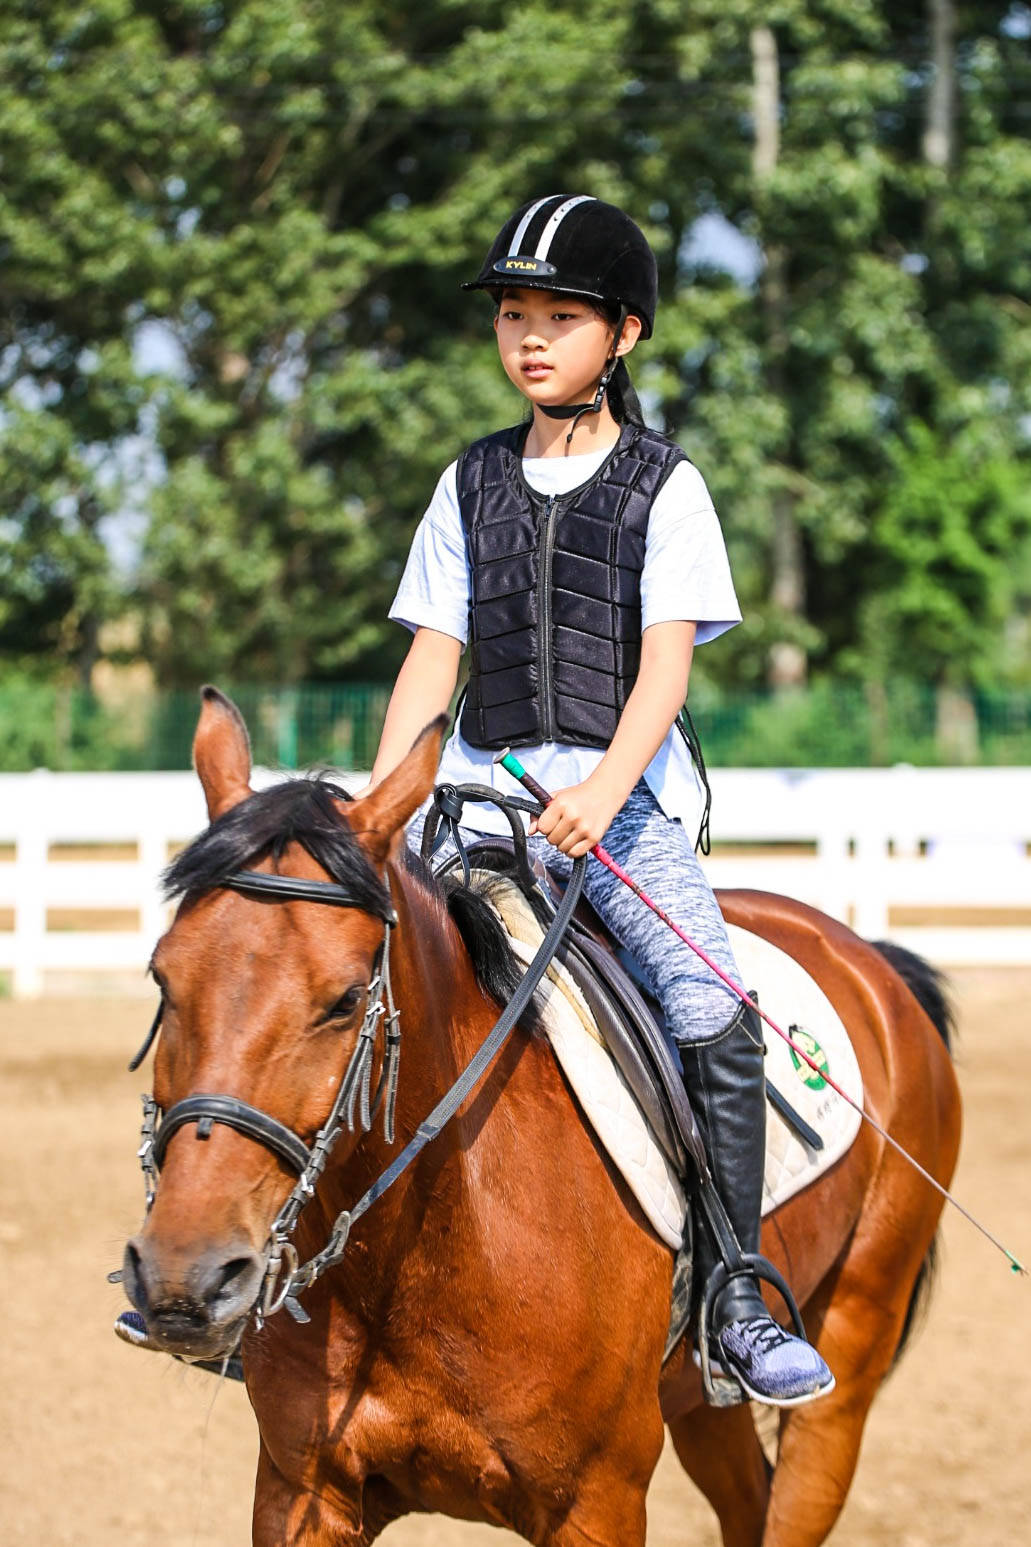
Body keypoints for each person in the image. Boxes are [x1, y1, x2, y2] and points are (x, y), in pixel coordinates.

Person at [364, 193, 834, 1407]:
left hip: (618, 810)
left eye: (556, 317)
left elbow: (664, 666)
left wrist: (604, 792)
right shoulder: (465, 483)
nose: (527, 337)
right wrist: (383, 808)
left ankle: (732, 1292)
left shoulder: (664, 487)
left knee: (708, 1001)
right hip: (473, 801)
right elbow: (431, 653)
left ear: (619, 333)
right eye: (513, 314)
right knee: (344, 969)